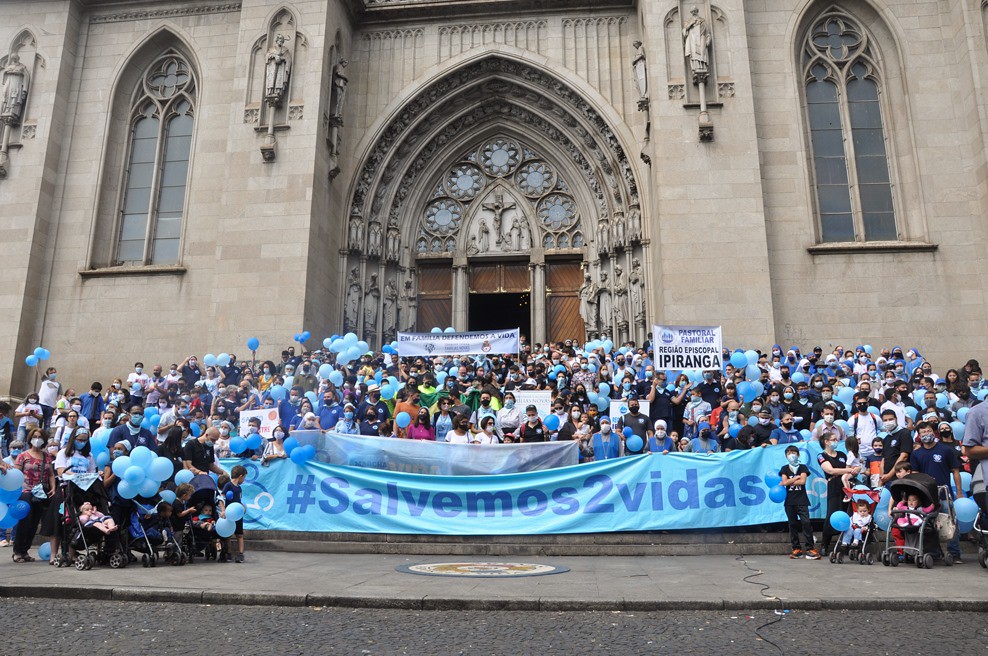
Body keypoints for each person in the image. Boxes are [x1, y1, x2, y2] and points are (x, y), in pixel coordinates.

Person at [909, 421, 964, 562]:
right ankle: (933, 553)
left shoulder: (945, 450)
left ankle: (955, 553)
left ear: (934, 432)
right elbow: (915, 475)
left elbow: (956, 472)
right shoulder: (916, 454)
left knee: (950, 523)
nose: (926, 434)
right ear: (919, 436)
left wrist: (958, 492)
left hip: (944, 493)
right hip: (926, 495)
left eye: (928, 431)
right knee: (928, 524)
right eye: (923, 433)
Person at [11, 428, 54, 563]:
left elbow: (51, 474)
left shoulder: (46, 456)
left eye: (39, 436)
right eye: (34, 436)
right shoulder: (23, 456)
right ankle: (17, 551)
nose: (37, 439)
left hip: (41, 493)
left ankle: (25, 551)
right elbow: (16, 475)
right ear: (30, 439)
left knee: (34, 523)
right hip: (25, 492)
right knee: (25, 521)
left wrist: (53, 487)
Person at [817, 429, 857, 555]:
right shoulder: (821, 456)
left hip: (846, 485)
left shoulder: (842, 455)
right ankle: (825, 544)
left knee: (848, 512)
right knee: (832, 514)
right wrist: (848, 470)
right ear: (826, 442)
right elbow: (831, 471)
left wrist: (851, 470)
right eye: (833, 440)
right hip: (833, 485)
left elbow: (850, 468)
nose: (836, 442)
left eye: (837, 440)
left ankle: (846, 543)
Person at [780, 444, 818, 559]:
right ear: (786, 456)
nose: (792, 455)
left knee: (806, 523)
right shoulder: (784, 468)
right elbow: (784, 482)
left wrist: (791, 480)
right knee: (792, 524)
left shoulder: (803, 467)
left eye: (794, 453)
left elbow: (802, 482)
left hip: (802, 500)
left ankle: (810, 548)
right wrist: (796, 478)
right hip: (789, 501)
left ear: (798, 454)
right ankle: (796, 548)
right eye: (789, 453)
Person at [221, 465, 247, 563]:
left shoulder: (239, 488)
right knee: (228, 534)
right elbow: (221, 498)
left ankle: (240, 554)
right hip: (229, 514)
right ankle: (228, 553)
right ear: (240, 476)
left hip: (238, 514)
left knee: (239, 534)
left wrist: (242, 507)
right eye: (244, 477)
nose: (244, 480)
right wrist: (223, 510)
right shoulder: (228, 485)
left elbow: (238, 500)